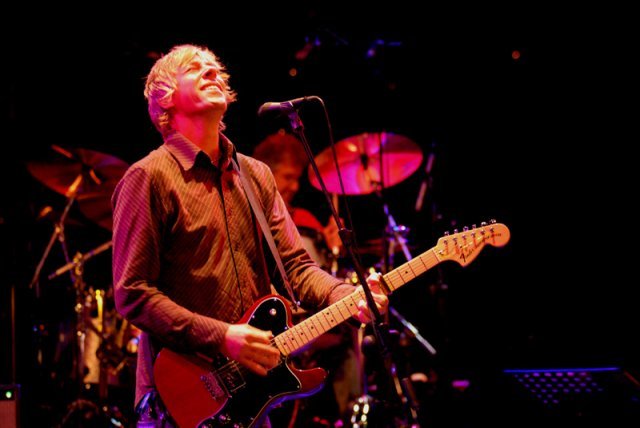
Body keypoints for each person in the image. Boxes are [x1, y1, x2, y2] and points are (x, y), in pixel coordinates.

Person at [111, 44, 388, 427]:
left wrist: (346, 296)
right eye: (195, 68)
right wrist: (222, 336)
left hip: (251, 396)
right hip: (183, 399)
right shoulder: (148, 177)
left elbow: (296, 266)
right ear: (166, 97)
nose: (212, 72)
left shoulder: (255, 175)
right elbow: (132, 293)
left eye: (215, 68)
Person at [253, 132, 363, 424]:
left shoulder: (303, 220)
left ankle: (349, 415)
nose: (295, 186)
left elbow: (302, 269)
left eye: (297, 178)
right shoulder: (252, 216)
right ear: (266, 175)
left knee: (346, 338)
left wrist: (333, 251)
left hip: (307, 321)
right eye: (287, 177)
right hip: (267, 331)